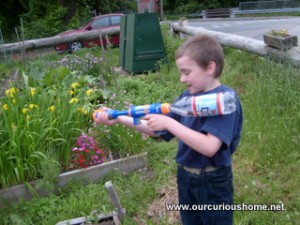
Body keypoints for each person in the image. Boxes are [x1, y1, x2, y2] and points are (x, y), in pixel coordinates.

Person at [94, 34, 243, 225]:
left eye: (187, 72)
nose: (182, 79)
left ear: (210, 67)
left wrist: (170, 123)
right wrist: (120, 118)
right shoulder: (187, 97)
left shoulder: (225, 100)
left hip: (212, 181)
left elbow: (209, 146)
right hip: (185, 177)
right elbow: (156, 129)